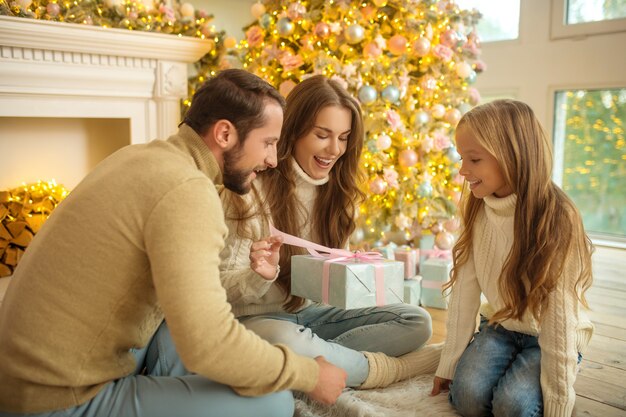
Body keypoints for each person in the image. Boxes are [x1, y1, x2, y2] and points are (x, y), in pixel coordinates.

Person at [0, 69, 347, 417]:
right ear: (225, 133)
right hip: (55, 399)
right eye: (269, 142)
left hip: (27, 372)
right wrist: (309, 374)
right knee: (275, 401)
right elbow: (207, 344)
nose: (273, 159)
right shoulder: (187, 190)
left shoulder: (141, 157)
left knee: (190, 342)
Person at [219, 75, 441, 391]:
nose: (334, 149)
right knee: (286, 339)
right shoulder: (249, 191)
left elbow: (331, 288)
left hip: (315, 315)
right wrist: (260, 274)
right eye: (322, 135)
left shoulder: (338, 196)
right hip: (256, 320)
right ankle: (387, 370)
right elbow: (222, 289)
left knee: (417, 321)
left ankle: (318, 358)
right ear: (292, 133)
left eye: (344, 137)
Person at [430, 99, 594, 417]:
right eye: (462, 158)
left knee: (514, 407)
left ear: (511, 155)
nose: (463, 171)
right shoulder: (478, 207)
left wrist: (559, 400)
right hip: (499, 326)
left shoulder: (558, 217)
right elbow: (464, 288)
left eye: (473, 159)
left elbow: (559, 318)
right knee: (466, 397)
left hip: (550, 333)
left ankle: (561, 370)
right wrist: (449, 362)